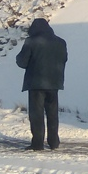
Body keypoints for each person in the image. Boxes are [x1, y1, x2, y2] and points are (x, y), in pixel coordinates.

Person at [16, 18, 68, 150]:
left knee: (36, 114)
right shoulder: (61, 42)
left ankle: (37, 143)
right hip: (54, 83)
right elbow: (64, 59)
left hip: (36, 83)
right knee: (52, 113)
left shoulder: (31, 41)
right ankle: (53, 142)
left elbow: (22, 62)